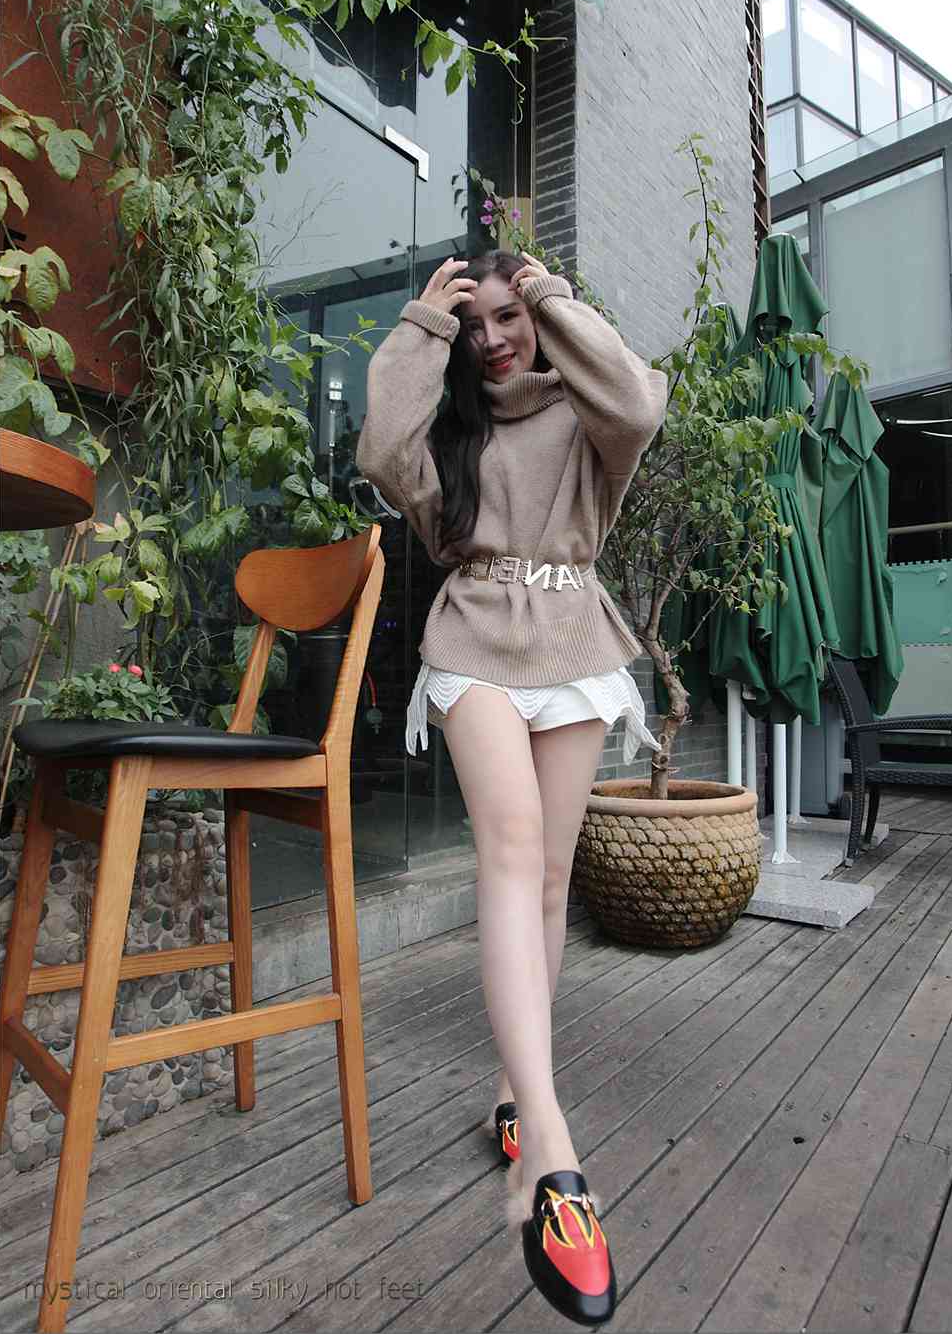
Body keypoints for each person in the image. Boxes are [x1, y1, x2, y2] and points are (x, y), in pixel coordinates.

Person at [355, 247, 668, 1325]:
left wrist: (551, 295)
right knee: (513, 844)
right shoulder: (451, 425)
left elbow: (640, 400)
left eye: (506, 315)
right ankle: (548, 1153)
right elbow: (378, 446)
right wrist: (422, 324)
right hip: (476, 633)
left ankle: (511, 1090)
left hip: (574, 634)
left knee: (550, 882)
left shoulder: (590, 414)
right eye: (474, 321)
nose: (491, 337)